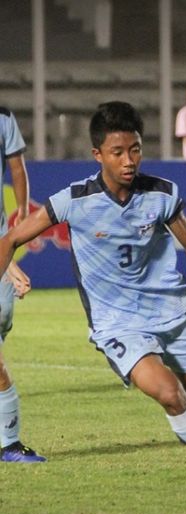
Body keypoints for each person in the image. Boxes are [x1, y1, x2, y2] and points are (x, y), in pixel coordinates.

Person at [0, 102, 186, 493]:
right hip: (116, 323)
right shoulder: (73, 199)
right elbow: (12, 238)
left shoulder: (161, 194)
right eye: (118, 152)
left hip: (169, 312)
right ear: (97, 155)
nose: (128, 160)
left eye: (135, 149)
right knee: (170, 394)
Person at [0, 107, 45, 463]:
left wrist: (18, 229)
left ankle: (8, 444)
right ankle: (9, 443)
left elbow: (17, 166)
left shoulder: (3, 117)